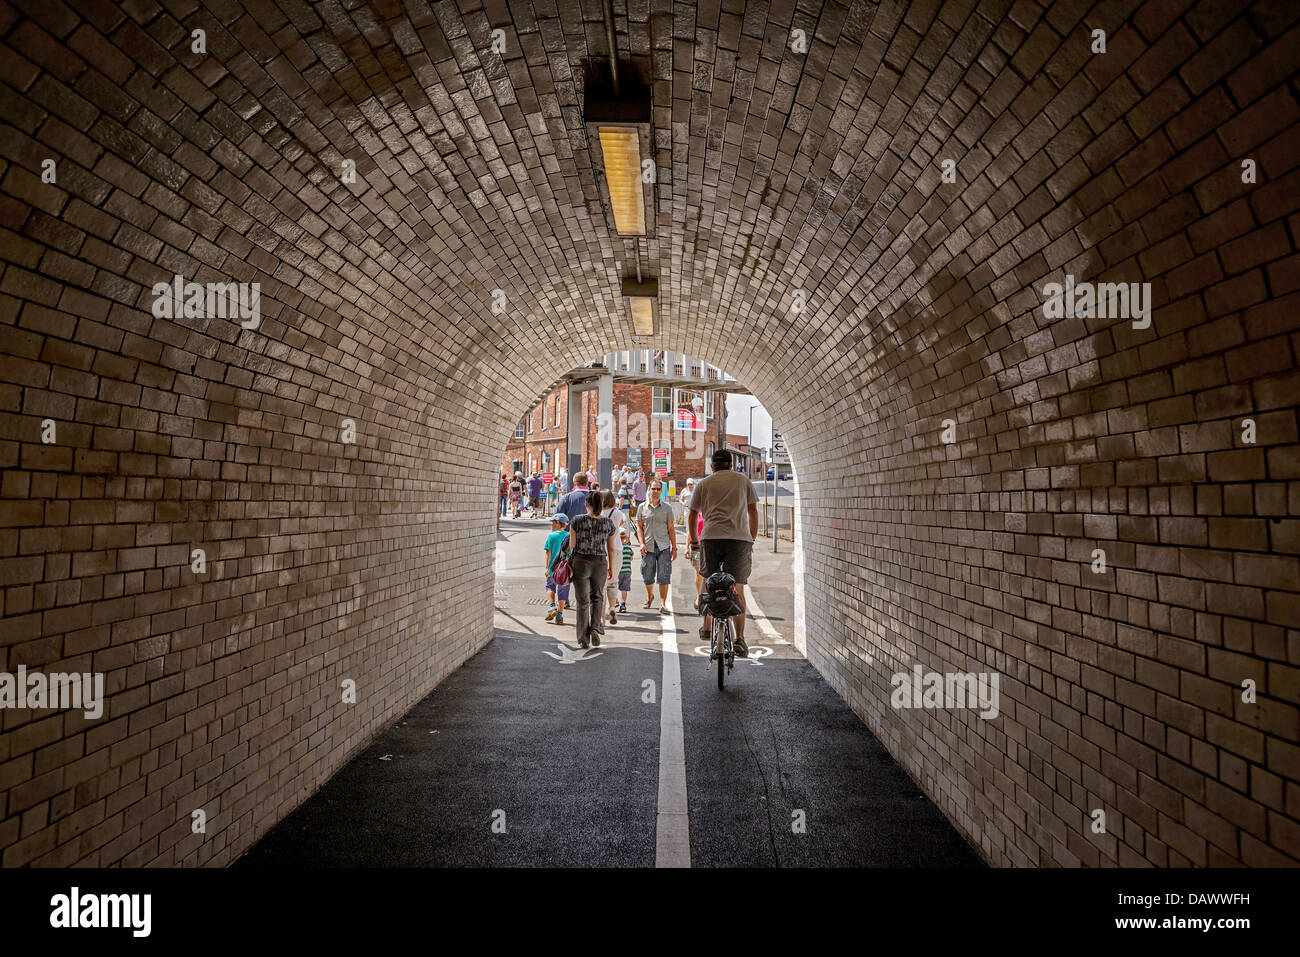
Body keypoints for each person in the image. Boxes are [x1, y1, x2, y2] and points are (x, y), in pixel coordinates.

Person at [688, 449, 758, 657]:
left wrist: (694, 540)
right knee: (737, 587)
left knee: (708, 580)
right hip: (738, 539)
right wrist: (751, 538)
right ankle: (740, 639)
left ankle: (707, 628)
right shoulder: (742, 481)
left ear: (712, 467)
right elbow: (753, 512)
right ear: (730, 465)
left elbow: (693, 515)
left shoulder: (704, 484)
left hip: (711, 537)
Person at [565, 491, 616, 649]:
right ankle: (595, 628)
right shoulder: (608, 523)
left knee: (582, 602)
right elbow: (611, 548)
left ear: (586, 504)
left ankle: (583, 639)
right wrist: (611, 567)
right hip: (600, 562)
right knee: (597, 597)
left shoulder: (577, 521)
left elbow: (571, 546)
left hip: (580, 562)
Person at [635, 479, 677, 613]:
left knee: (664, 575)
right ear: (649, 489)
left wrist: (674, 548)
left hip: (663, 545)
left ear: (661, 490)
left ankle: (663, 604)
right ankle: (649, 596)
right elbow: (639, 527)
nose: (656, 491)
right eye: (653, 488)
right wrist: (641, 543)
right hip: (648, 545)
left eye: (658, 489)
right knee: (647, 575)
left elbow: (671, 529)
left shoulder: (667, 508)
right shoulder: (642, 507)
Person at [599, 490, 628, 623]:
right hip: (617, 550)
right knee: (613, 582)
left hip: (601, 551)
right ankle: (612, 607)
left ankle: (601, 617)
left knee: (601, 585)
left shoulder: (598, 514)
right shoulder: (618, 513)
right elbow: (622, 523)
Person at [544, 514, 570, 625]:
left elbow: (548, 553)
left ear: (558, 523)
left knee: (550, 587)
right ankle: (560, 615)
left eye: (553, 522)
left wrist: (546, 567)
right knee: (563, 591)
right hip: (565, 569)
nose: (552, 524)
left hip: (553, 568)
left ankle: (552, 606)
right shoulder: (569, 536)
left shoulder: (551, 536)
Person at [616, 529, 633, 614]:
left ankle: (615, 600)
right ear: (626, 538)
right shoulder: (628, 548)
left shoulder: (617, 548)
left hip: (618, 571)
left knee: (615, 586)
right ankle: (623, 605)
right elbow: (631, 558)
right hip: (627, 571)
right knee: (624, 589)